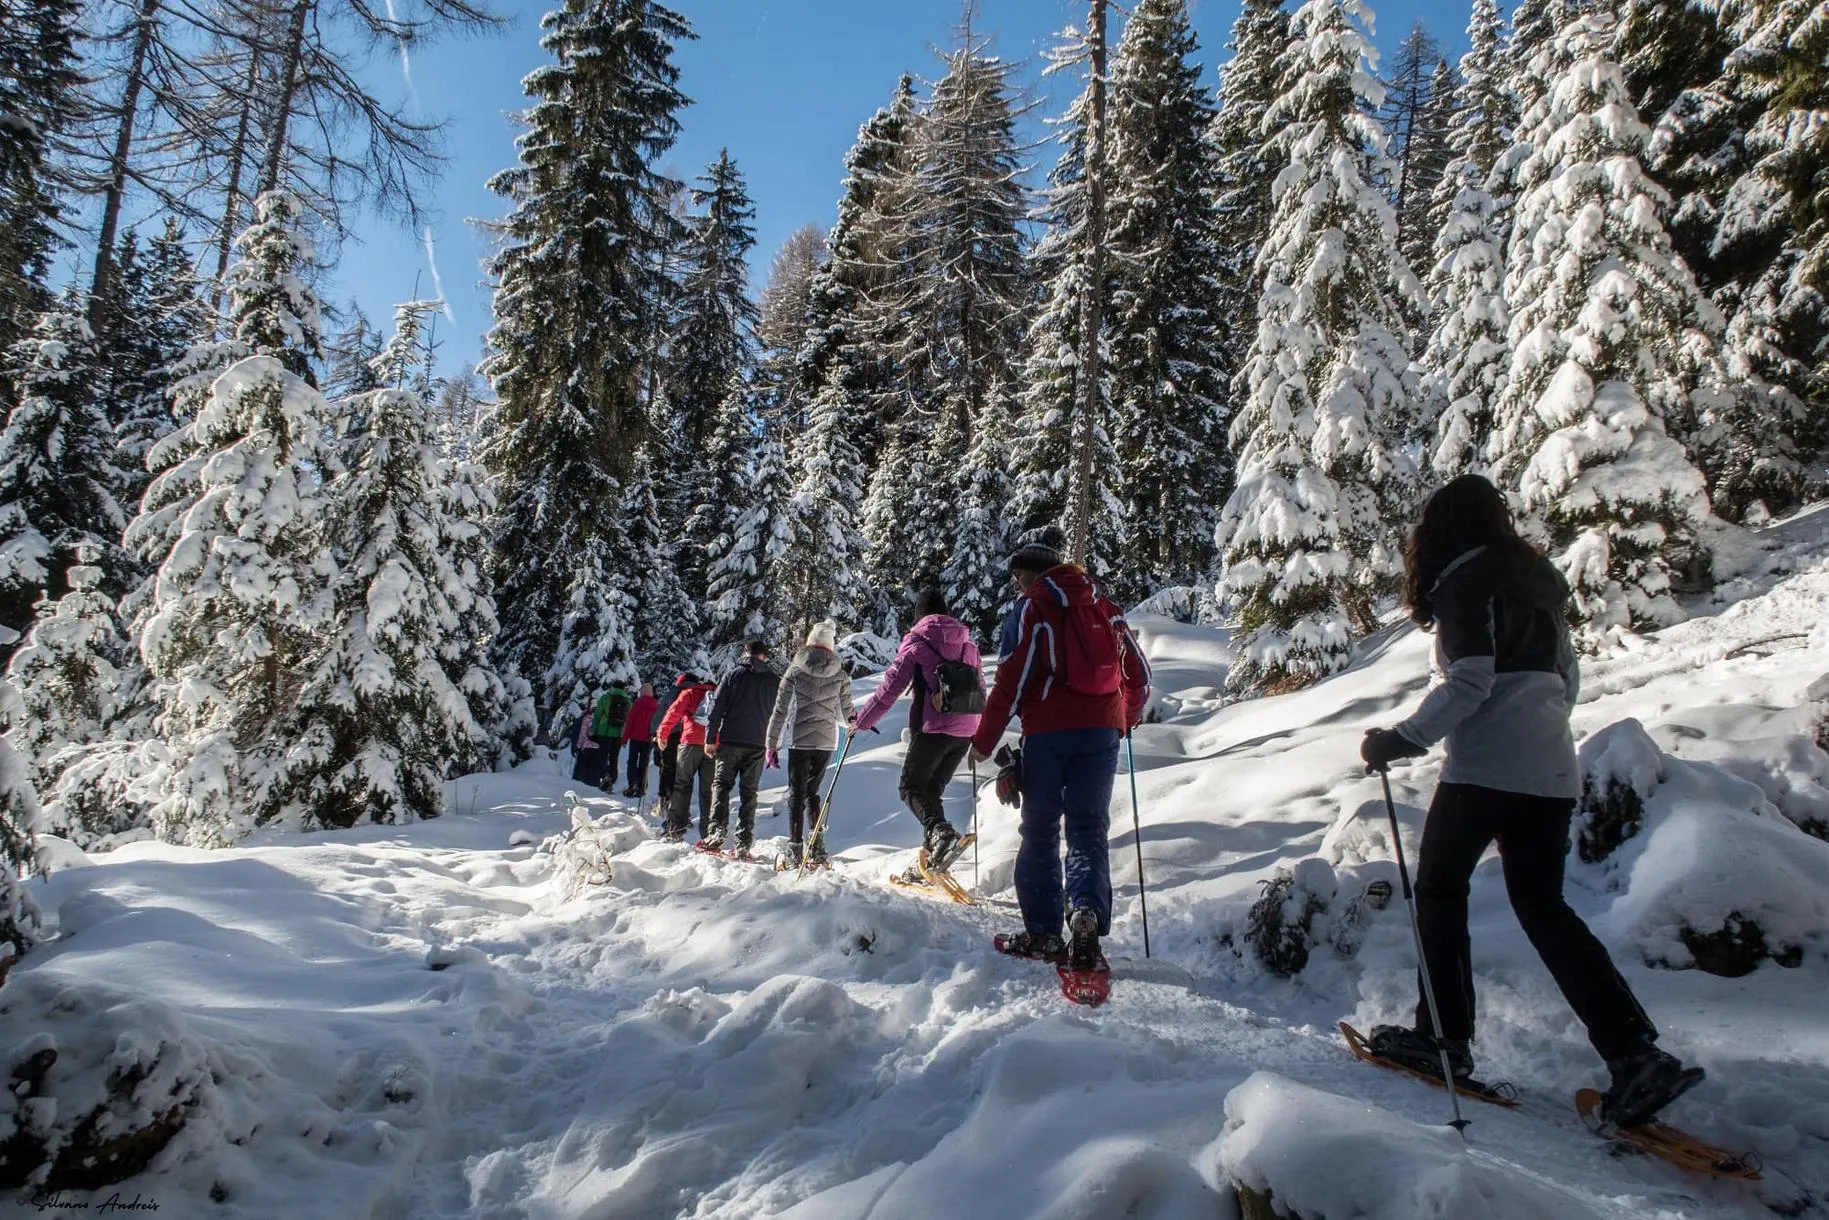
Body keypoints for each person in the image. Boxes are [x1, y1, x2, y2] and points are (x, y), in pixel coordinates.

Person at [1358, 473, 1703, 1129]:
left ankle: (1443, 1041)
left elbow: (1469, 681)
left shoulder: (1464, 582)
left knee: (1437, 891)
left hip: (1485, 768)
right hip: (1549, 770)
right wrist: (1537, 731)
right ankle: (1635, 1055)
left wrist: (1400, 740)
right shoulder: (1537, 586)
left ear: (1443, 528)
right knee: (1544, 909)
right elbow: (1566, 681)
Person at [969, 526, 1151, 970]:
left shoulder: (1033, 608)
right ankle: (1086, 911)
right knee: (1089, 828)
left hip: (1049, 733)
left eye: (1017, 578)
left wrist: (984, 741)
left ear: (1032, 575)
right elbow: (1140, 675)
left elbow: (1011, 677)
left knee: (1041, 829)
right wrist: (1123, 720)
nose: (1016, 585)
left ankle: (1045, 933)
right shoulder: (1104, 605)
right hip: (1102, 732)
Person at [854, 589, 984, 873]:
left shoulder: (916, 643)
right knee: (931, 792)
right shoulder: (968, 645)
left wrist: (861, 722)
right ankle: (933, 858)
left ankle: (941, 834)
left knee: (910, 787)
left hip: (933, 729)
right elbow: (981, 690)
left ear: (919, 617)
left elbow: (889, 691)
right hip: (964, 732)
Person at [766, 621, 857, 867]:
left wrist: (771, 744)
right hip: (826, 741)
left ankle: (795, 848)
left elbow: (780, 710)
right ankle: (817, 847)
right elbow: (845, 712)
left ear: (810, 642)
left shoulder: (795, 670)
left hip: (800, 740)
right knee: (813, 793)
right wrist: (851, 723)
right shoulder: (839, 673)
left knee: (797, 793)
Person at [703, 639, 782, 859]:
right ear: (764, 656)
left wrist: (710, 738)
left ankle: (716, 831)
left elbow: (717, 707)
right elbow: (780, 714)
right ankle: (743, 843)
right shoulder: (774, 681)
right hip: (758, 743)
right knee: (749, 793)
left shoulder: (733, 675)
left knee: (721, 785)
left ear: (746, 654)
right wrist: (773, 743)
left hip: (730, 740)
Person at [656, 672, 718, 843]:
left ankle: (675, 828)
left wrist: (663, 733)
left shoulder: (690, 692)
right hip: (712, 745)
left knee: (682, 785)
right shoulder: (720, 694)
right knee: (708, 790)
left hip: (689, 743)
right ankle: (709, 833)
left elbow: (673, 712)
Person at [590, 680, 635, 792]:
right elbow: (630, 719)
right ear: (624, 688)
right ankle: (611, 781)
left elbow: (597, 716)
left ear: (612, 687)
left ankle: (605, 776)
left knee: (603, 756)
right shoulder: (628, 701)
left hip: (604, 732)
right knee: (614, 758)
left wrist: (594, 730)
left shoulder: (605, 698)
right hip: (619, 734)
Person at [619, 683, 660, 798]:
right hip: (648, 739)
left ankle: (632, 785)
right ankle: (642, 788)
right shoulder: (656, 705)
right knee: (644, 763)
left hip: (635, 738)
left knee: (632, 761)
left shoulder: (637, 703)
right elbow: (657, 723)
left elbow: (630, 721)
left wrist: (624, 738)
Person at [567, 702, 607, 788]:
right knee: (594, 770)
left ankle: (579, 787)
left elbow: (582, 734)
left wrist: (577, 747)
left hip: (586, 747)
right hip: (598, 748)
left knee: (582, 770)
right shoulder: (603, 719)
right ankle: (594, 785)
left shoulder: (587, 718)